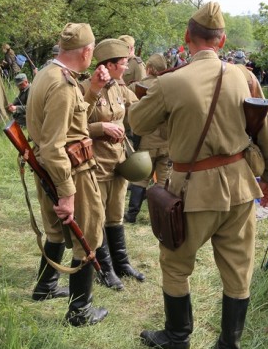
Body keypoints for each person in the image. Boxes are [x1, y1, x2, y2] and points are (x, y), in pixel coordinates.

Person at [129, 2, 268, 349]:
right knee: (237, 271)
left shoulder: (171, 82)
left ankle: (177, 336)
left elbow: (137, 124)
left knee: (174, 263)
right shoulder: (245, 77)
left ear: (186, 39)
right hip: (241, 189)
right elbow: (267, 131)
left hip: (191, 191)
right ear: (223, 40)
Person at [25, 23, 112, 326]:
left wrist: (93, 91)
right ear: (87, 51)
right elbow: (54, 145)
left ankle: (45, 286)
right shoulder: (62, 84)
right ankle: (80, 311)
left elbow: (72, 121)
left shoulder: (50, 74)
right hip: (70, 170)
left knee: (55, 232)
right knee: (87, 233)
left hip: (57, 167)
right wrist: (68, 192)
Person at [79, 38, 145, 291]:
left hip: (119, 162)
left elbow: (140, 106)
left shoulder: (119, 87)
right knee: (97, 218)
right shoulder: (87, 87)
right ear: (109, 64)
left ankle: (122, 263)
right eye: (122, 64)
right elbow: (74, 125)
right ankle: (104, 269)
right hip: (96, 164)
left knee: (116, 215)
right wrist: (100, 127)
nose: (126, 68)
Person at [124, 53, 170, 224]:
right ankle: (160, 216)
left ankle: (132, 214)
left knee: (141, 178)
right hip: (166, 141)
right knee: (163, 179)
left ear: (149, 68)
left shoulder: (138, 86)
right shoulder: (169, 87)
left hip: (147, 140)